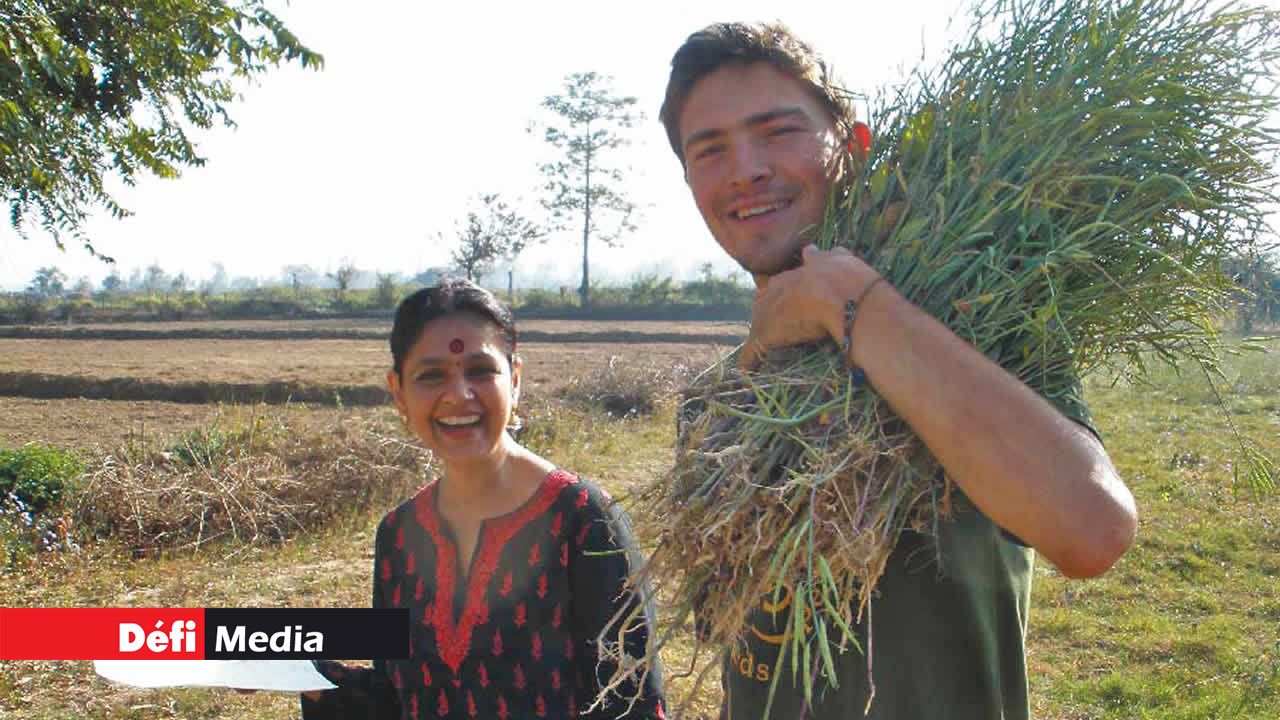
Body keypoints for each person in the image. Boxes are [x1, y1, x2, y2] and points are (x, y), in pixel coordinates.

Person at [659, 22, 1138, 719]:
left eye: (777, 131)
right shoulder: (716, 402)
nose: (746, 168)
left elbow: (1094, 530)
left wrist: (852, 303)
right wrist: (766, 353)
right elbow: (742, 651)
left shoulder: (978, 337)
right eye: (711, 150)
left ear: (852, 147)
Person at [301, 278, 665, 720]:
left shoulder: (585, 521)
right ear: (398, 393)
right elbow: (398, 698)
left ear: (514, 381)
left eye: (480, 370)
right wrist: (301, 670)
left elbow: (633, 704)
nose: (458, 394)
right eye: (431, 375)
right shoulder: (398, 536)